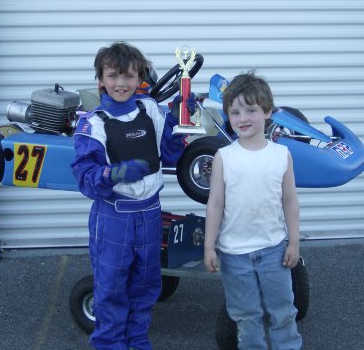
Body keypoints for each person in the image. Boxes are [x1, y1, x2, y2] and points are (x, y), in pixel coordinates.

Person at [71, 41, 194, 350]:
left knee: (145, 284)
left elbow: (169, 155)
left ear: (139, 77)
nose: (120, 83)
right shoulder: (92, 124)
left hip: (150, 211)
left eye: (128, 76)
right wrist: (113, 174)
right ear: (100, 80)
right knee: (111, 288)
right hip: (113, 216)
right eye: (113, 76)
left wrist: (181, 120)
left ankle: (138, 341)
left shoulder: (149, 109)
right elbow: (85, 176)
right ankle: (110, 344)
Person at [204, 71, 302, 349]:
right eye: (235, 112)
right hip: (234, 256)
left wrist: (293, 241)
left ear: (268, 112)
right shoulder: (224, 157)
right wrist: (209, 247)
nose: (242, 118)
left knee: (283, 314)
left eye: (251, 110)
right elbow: (215, 204)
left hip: (274, 250)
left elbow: (290, 201)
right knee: (247, 318)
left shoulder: (281, 155)